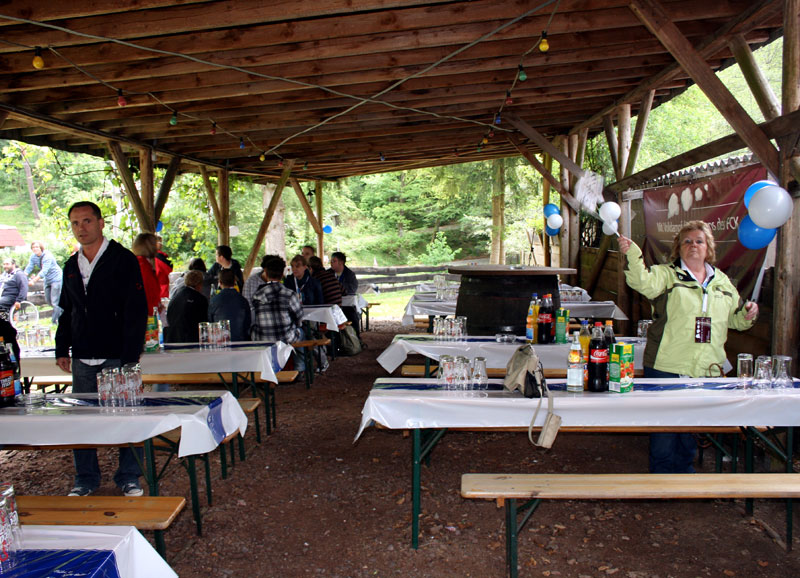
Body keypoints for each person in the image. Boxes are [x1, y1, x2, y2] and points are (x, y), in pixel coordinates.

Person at [617, 220, 759, 474]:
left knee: (690, 429)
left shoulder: (722, 282)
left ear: (709, 248)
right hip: (666, 365)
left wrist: (748, 315)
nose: (693, 245)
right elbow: (642, 282)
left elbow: (735, 321)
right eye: (687, 241)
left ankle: (684, 477)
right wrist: (633, 254)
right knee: (664, 429)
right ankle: (660, 481)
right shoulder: (667, 275)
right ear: (678, 248)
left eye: (699, 241)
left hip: (706, 368)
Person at [55, 201, 148, 497]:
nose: (81, 228)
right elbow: (67, 310)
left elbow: (136, 310)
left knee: (126, 415)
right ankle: (85, 478)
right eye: (75, 223)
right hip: (82, 355)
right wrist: (61, 348)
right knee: (82, 420)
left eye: (86, 221)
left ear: (100, 222)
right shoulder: (71, 265)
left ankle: (129, 476)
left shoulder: (122, 259)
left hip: (116, 353)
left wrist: (130, 356)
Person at [251, 256, 305, 372]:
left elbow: (254, 318)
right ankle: (300, 368)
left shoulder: (257, 295)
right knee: (301, 332)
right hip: (285, 338)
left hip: (262, 338)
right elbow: (300, 318)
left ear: (266, 273)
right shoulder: (289, 294)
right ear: (282, 274)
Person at [165, 270, 209, 343]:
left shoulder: (176, 296)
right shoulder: (200, 299)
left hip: (173, 337)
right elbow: (204, 322)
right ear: (199, 284)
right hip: (191, 339)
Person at [24, 241, 63, 323]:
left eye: (37, 247)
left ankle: (55, 321)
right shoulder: (33, 257)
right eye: (33, 247)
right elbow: (29, 267)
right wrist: (23, 276)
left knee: (55, 302)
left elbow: (44, 271)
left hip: (56, 278)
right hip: (47, 280)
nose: (35, 249)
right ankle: (63, 313)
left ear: (41, 248)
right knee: (49, 301)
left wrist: (33, 281)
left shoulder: (47, 256)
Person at [209, 269, 251, 342]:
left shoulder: (214, 300)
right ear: (235, 281)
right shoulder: (242, 300)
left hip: (221, 340)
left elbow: (211, 321)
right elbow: (248, 322)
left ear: (220, 282)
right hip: (240, 340)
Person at [330, 251, 360, 335]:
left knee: (352, 316)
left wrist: (337, 287)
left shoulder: (350, 274)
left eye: (334, 261)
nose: (331, 263)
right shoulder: (328, 273)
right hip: (332, 304)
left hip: (347, 305)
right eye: (331, 261)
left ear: (341, 262)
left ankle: (355, 338)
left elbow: (352, 289)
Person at [131, 233, 162, 314]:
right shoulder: (143, 266)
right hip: (146, 317)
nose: (157, 247)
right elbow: (147, 294)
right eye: (154, 243)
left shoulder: (141, 264)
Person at [0, 258, 28, 323]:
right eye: (4, 264)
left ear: (13, 264)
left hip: (12, 297)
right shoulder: (4, 275)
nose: (5, 266)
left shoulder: (19, 274)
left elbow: (24, 288)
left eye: (7, 264)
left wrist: (19, 300)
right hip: (3, 296)